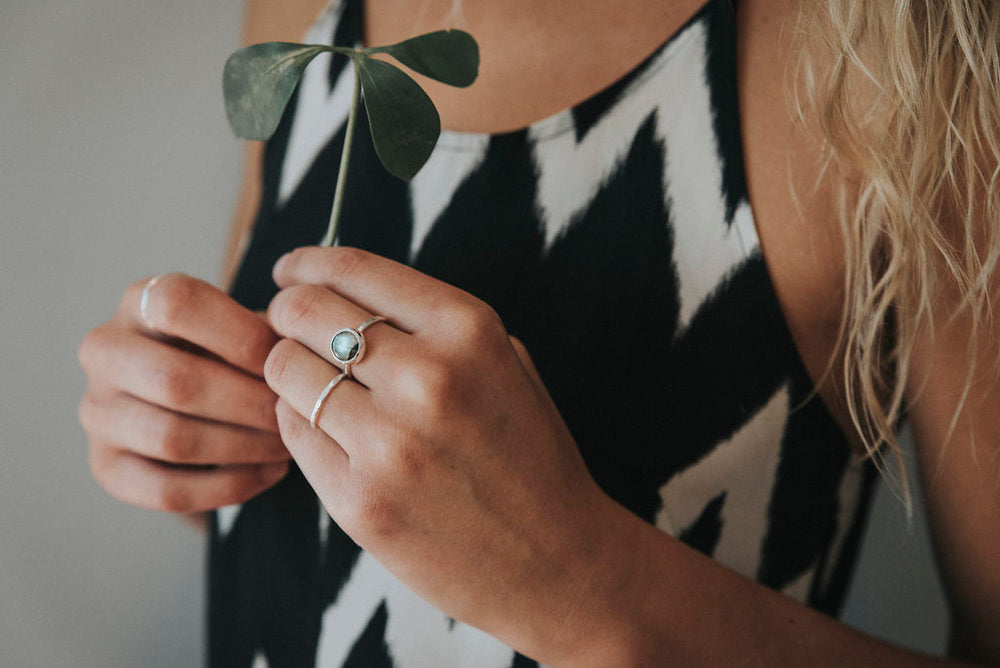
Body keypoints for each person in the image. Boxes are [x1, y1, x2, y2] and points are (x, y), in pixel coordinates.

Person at [77, 0, 1000, 664]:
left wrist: (593, 590)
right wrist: (195, 436)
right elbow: (323, 509)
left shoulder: (899, 61)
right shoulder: (298, 16)